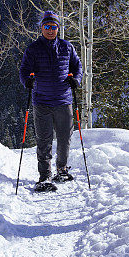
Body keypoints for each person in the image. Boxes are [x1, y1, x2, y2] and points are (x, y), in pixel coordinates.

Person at [19, 11, 83, 192]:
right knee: (44, 140)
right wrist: (27, 81)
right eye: (47, 27)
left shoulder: (67, 47)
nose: (50, 30)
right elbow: (24, 70)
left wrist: (75, 79)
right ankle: (45, 177)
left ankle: (61, 170)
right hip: (42, 102)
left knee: (64, 138)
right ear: (41, 28)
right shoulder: (33, 49)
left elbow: (77, 66)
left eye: (53, 27)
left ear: (58, 29)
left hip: (64, 101)